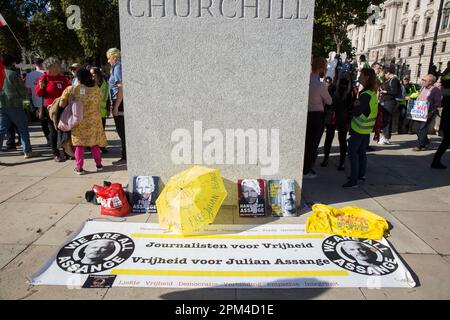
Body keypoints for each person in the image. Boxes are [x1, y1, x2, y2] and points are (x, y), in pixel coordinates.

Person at [59, 68, 107, 175]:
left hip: (79, 121)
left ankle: (79, 167)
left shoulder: (73, 89)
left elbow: (61, 104)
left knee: (79, 145)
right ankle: (99, 165)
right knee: (94, 144)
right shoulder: (96, 88)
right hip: (94, 121)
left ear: (78, 78)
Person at [343, 68, 378, 188]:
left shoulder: (365, 95)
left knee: (353, 153)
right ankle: (360, 175)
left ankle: (353, 180)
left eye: (361, 75)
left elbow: (357, 112)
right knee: (362, 153)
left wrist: (353, 105)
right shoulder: (372, 92)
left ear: (367, 77)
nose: (359, 77)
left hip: (359, 128)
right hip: (366, 129)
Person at [35, 57, 71, 162]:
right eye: (55, 66)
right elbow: (38, 94)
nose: (57, 68)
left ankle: (66, 151)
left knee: (64, 129)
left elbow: (69, 89)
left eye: (58, 66)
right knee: (54, 131)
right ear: (49, 68)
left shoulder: (62, 78)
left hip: (63, 107)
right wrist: (41, 87)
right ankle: (55, 153)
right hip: (51, 109)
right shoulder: (44, 78)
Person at [0, 54, 35, 159]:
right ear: (11, 63)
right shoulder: (13, 74)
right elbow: (23, 92)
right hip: (15, 105)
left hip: (2, 105)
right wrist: (27, 106)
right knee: (22, 129)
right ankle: (27, 151)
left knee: (1, 130)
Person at [303, 57, 333, 179]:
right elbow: (329, 101)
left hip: (306, 114)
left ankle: (304, 167)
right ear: (320, 69)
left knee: (306, 143)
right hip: (317, 116)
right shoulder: (320, 85)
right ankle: (306, 169)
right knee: (313, 144)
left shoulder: (306, 80)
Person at [321, 73, 354, 170]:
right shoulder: (350, 91)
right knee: (341, 140)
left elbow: (327, 102)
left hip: (334, 116)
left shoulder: (334, 88)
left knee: (330, 138)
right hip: (341, 117)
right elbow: (351, 106)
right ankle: (341, 162)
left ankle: (327, 159)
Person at [409, 74, 442, 151]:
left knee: (422, 129)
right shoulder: (422, 88)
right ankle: (425, 142)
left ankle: (419, 145)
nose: (422, 81)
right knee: (417, 129)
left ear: (430, 82)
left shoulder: (435, 90)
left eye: (424, 80)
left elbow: (437, 104)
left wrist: (431, 112)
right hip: (418, 113)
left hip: (428, 113)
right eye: (422, 79)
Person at [107, 48, 126, 165]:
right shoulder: (117, 67)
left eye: (109, 58)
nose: (108, 61)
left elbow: (120, 87)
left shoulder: (118, 67)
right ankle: (125, 156)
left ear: (114, 57)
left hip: (119, 101)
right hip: (118, 101)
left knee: (122, 131)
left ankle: (125, 157)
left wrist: (116, 106)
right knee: (121, 131)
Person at [25, 58, 48, 143]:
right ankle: (53, 139)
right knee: (51, 121)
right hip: (48, 101)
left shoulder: (29, 75)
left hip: (37, 102)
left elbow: (28, 91)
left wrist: (28, 103)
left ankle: (48, 138)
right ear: (43, 64)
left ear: (34, 65)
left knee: (43, 122)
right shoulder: (46, 73)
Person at [431, 71, 450, 169]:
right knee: (446, 140)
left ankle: (436, 160)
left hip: (446, 115)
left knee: (446, 140)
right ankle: (436, 161)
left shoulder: (445, 77)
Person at [378, 65, 400, 145]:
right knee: (385, 119)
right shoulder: (390, 80)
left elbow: (395, 92)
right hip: (386, 101)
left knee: (386, 120)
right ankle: (385, 137)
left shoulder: (394, 80)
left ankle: (385, 137)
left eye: (385, 74)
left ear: (388, 73)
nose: (384, 76)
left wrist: (385, 92)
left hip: (389, 102)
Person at [91, 67, 109, 153]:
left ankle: (102, 146)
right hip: (92, 112)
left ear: (97, 74)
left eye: (93, 74)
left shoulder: (104, 84)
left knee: (102, 130)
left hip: (102, 112)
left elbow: (107, 97)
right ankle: (93, 146)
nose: (91, 76)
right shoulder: (90, 84)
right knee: (94, 130)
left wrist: (108, 109)